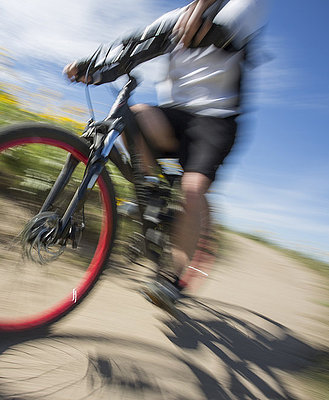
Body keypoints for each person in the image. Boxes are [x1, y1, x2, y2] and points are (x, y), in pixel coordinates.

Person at [64, 0, 268, 311]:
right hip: (175, 115)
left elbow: (227, 31)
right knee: (136, 114)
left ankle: (171, 278)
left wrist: (201, 21)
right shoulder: (177, 15)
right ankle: (153, 190)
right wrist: (92, 68)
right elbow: (135, 45)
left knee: (193, 188)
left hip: (216, 120)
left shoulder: (244, 5)